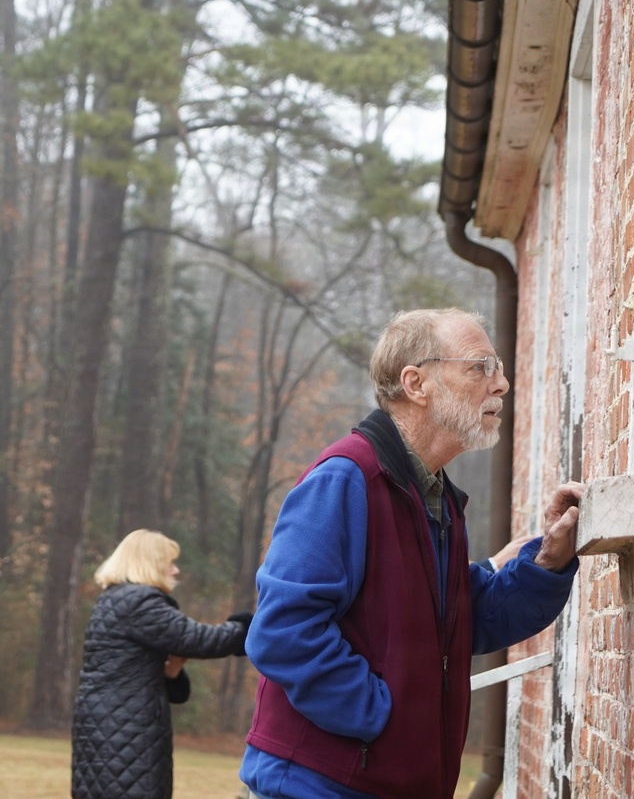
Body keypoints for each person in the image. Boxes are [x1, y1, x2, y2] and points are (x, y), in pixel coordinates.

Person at [239, 307, 585, 799]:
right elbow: (282, 631)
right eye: (480, 366)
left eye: (500, 367)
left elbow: (465, 617)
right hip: (319, 786)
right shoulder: (345, 479)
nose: (502, 383)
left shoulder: (436, 496)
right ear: (416, 383)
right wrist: (381, 716)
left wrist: (547, 560)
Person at [71, 529, 253, 799]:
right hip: (125, 731)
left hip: (107, 725)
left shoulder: (113, 599)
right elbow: (198, 639)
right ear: (149, 563)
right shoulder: (138, 602)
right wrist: (247, 627)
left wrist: (171, 673)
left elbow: (126, 670)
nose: (176, 570)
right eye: (169, 562)